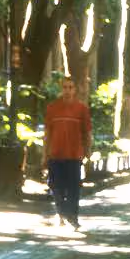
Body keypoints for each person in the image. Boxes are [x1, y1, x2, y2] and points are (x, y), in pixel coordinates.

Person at [43, 77, 93, 230]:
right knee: (56, 187)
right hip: (55, 155)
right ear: (61, 88)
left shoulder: (82, 109)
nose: (67, 90)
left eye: (70, 87)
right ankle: (62, 212)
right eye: (65, 87)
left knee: (73, 189)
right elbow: (47, 132)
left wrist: (88, 151)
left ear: (75, 90)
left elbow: (87, 132)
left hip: (74, 155)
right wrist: (44, 154)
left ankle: (73, 217)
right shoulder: (52, 108)